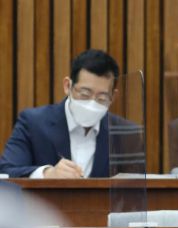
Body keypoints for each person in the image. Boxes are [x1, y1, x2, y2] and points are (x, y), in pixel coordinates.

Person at [0, 49, 119, 178]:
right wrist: (47, 173)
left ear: (113, 96)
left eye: (102, 98)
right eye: (85, 94)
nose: (92, 104)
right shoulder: (33, 123)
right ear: (68, 86)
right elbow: (6, 171)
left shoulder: (122, 132)